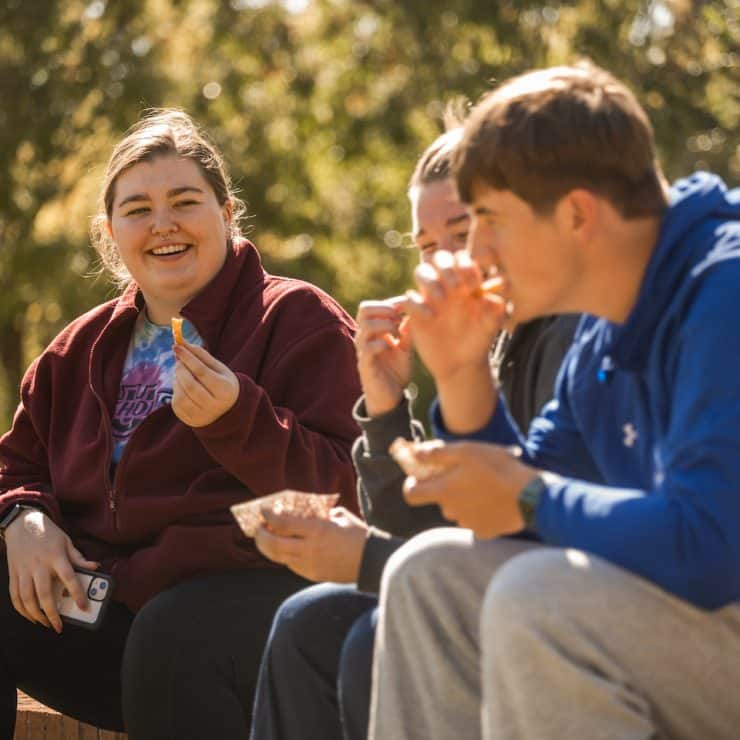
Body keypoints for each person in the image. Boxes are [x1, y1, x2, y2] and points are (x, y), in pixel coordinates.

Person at [368, 63, 740, 740]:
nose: (474, 253)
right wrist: (460, 374)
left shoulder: (727, 288)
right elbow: (517, 517)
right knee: (429, 575)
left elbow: (712, 546)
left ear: (576, 214)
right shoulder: (608, 323)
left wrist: (531, 493)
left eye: (488, 221)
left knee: (537, 598)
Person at [0, 109, 362, 740]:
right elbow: (17, 461)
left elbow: (349, 493)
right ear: (111, 233)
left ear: (227, 214)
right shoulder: (77, 349)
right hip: (108, 615)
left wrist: (237, 420)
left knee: (174, 629)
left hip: (251, 620)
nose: (162, 223)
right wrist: (22, 518)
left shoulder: (297, 320)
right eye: (137, 209)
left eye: (184, 201)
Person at [249, 123, 579, 740]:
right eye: (428, 245)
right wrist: (384, 401)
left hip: (564, 615)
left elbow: (533, 541)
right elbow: (432, 529)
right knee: (305, 623)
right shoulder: (496, 343)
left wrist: (367, 559)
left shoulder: (567, 338)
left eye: (464, 231)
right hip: (493, 589)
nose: (451, 259)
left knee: (364, 641)